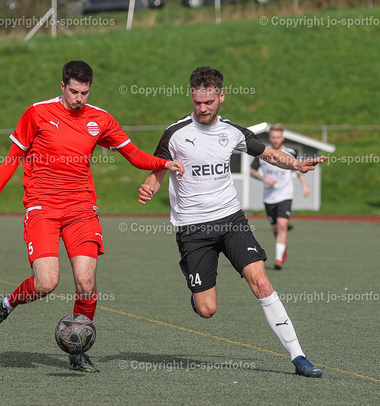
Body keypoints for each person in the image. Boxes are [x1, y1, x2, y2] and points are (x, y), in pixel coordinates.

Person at [0, 60, 184, 373]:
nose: (79, 98)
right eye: (74, 91)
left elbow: (133, 154)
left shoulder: (100, 119)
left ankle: (77, 350)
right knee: (46, 283)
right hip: (42, 207)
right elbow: (12, 159)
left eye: (85, 92)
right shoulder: (37, 112)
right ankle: (6, 305)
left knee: (86, 284)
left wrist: (163, 164)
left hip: (81, 209)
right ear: (63, 87)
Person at [138, 66, 326, 378]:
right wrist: (149, 186)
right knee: (207, 309)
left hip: (230, 220)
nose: (203, 108)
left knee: (261, 282)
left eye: (209, 102)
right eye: (198, 102)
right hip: (193, 228)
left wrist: (296, 164)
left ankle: (299, 356)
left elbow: (268, 154)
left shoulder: (233, 132)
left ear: (221, 97)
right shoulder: (175, 133)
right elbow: (158, 169)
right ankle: (197, 291)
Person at [249, 123, 311, 270]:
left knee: (283, 226)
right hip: (269, 197)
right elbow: (252, 171)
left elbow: (298, 169)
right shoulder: (263, 152)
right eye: (273, 137)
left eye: (278, 137)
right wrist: (264, 179)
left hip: (285, 195)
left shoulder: (290, 153)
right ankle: (283, 246)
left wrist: (304, 185)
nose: (275, 140)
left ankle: (278, 259)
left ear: (282, 137)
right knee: (276, 229)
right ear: (269, 137)